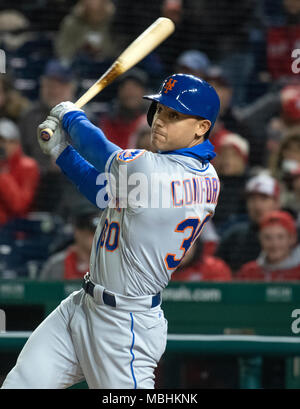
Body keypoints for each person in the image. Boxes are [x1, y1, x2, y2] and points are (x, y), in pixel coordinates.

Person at [2, 73, 221, 389]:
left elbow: (99, 149)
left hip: (125, 326)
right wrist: (61, 152)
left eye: (174, 115)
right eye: (160, 110)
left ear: (202, 127)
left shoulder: (153, 170)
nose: (160, 121)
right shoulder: (205, 177)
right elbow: (104, 194)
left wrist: (69, 114)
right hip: (83, 307)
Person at [216, 172, 281, 273]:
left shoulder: (290, 233)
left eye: (264, 199)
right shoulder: (234, 235)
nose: (257, 205)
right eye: (252, 199)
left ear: (277, 203)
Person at [236, 210, 300, 281]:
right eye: (267, 237)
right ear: (260, 238)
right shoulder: (248, 272)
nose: (274, 244)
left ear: (292, 239)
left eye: (280, 237)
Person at [0, 118, 40, 225]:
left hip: (15, 228)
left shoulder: (28, 166)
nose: (2, 146)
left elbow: (19, 206)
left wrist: (2, 175)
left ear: (17, 143)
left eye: (7, 142)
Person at [40, 211, 99, 280]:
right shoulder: (57, 264)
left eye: (99, 233)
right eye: (92, 233)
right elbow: (43, 289)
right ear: (78, 232)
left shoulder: (104, 264)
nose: (97, 238)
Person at [98, 69, 148, 149]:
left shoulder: (150, 124)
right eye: (125, 87)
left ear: (143, 92)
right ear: (118, 92)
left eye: (135, 87)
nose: (130, 92)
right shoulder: (107, 122)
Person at [212, 133, 250, 233]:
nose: (227, 160)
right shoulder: (210, 183)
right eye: (223, 155)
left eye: (233, 155)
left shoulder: (249, 185)